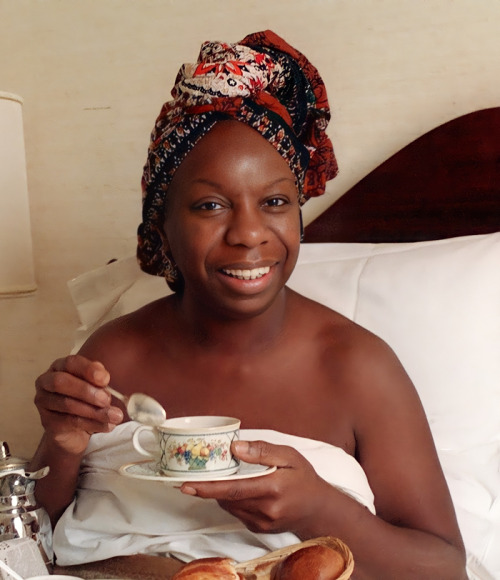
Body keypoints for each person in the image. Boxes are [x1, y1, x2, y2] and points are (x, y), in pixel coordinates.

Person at [29, 30, 467, 578]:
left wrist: (319, 509)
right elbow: (31, 546)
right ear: (160, 228)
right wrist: (62, 444)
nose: (249, 234)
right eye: (211, 205)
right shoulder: (114, 352)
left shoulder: (358, 367)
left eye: (275, 202)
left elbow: (446, 568)